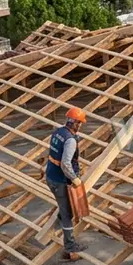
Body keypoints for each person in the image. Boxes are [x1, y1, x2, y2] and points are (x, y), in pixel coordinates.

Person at [43, 107, 88, 257]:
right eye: (79, 123)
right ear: (75, 122)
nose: (80, 126)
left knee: (63, 206)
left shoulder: (58, 132)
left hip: (50, 175)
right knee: (67, 212)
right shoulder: (70, 140)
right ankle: (70, 245)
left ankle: (59, 222)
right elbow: (65, 163)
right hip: (60, 180)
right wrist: (74, 178)